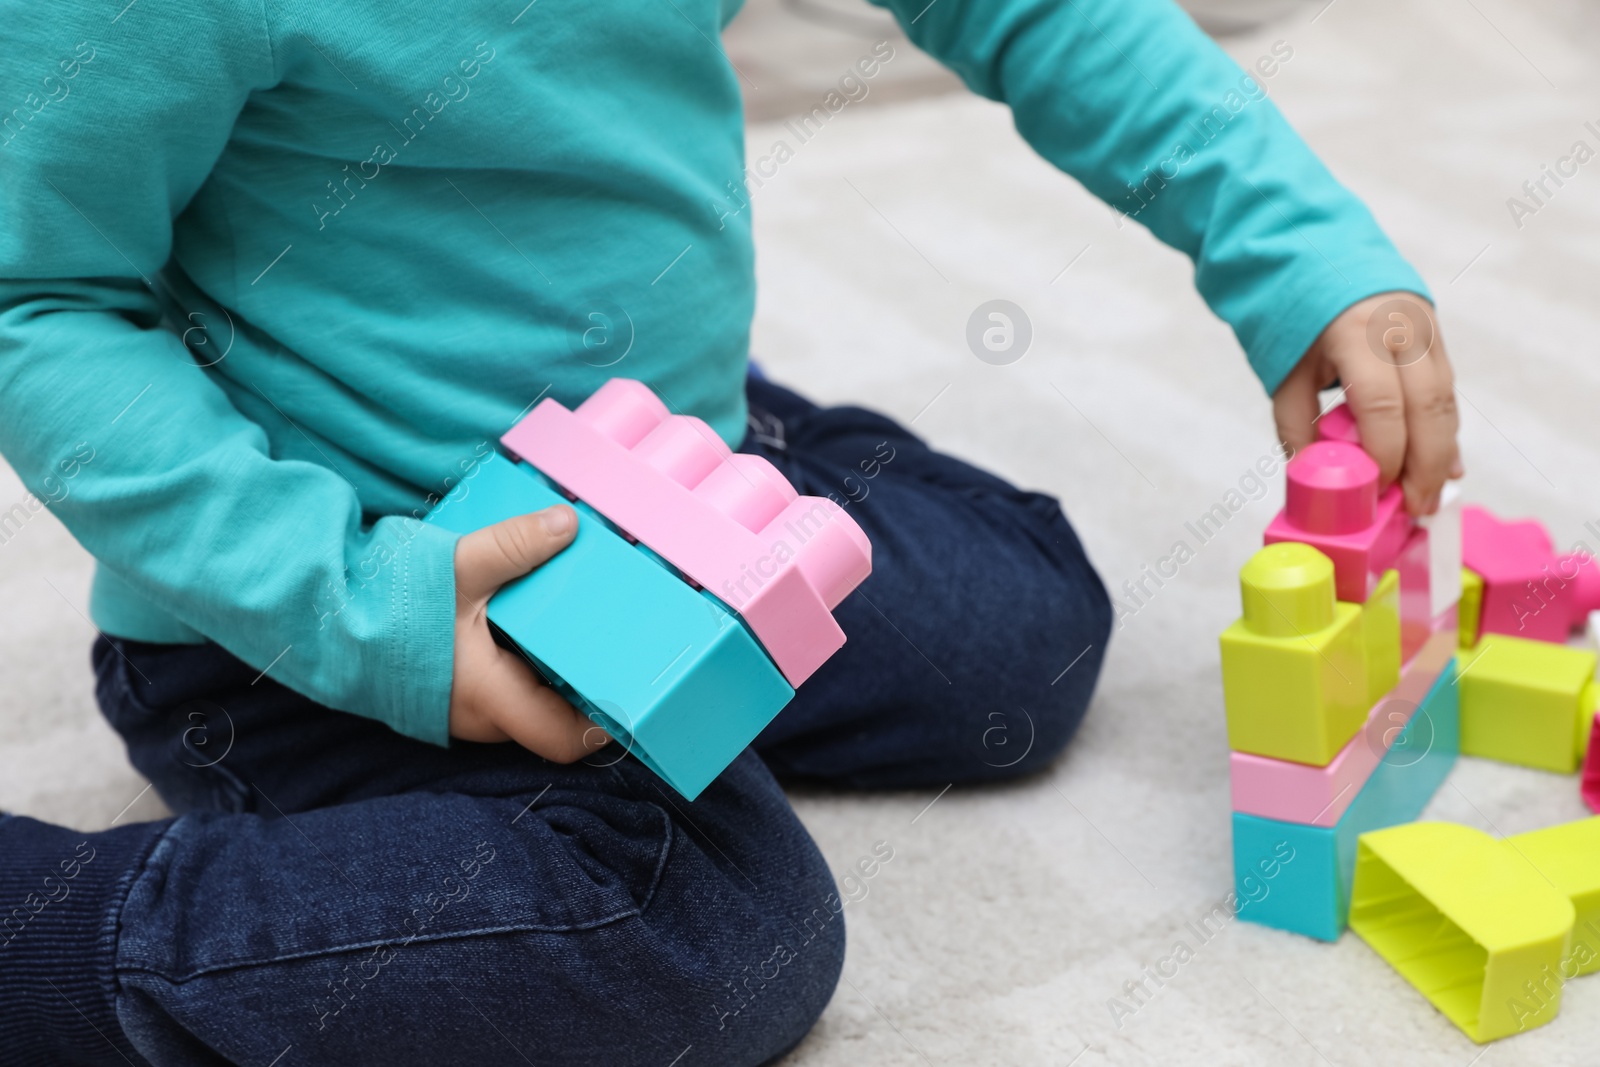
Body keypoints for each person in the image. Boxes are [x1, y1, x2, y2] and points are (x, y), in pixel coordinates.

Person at [0, 0, 1458, 1062]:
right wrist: (362, 607)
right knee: (704, 937)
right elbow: (36, 304)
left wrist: (1299, 252)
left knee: (1025, 635)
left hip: (659, 488)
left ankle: (712, 428)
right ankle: (43, 928)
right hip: (328, 607)